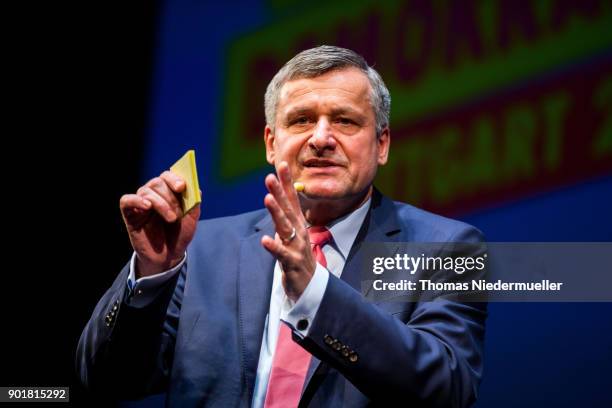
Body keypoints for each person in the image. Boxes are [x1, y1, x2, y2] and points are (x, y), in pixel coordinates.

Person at [77, 45, 487, 407]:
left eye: (344, 120)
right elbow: (105, 381)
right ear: (272, 143)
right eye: (302, 120)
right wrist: (153, 274)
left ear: (381, 145)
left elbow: (447, 389)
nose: (321, 138)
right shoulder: (201, 249)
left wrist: (315, 292)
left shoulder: (449, 248)